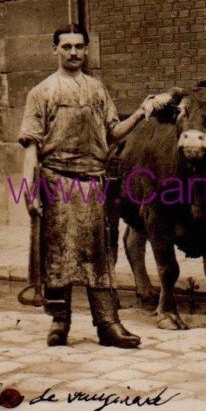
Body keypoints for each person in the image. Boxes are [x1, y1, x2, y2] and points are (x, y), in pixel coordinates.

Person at [18, 23, 169, 349]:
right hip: (55, 182)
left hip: (93, 183)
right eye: (66, 46)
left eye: (79, 46)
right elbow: (31, 147)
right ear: (54, 50)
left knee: (99, 256)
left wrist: (142, 113)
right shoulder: (41, 93)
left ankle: (107, 325)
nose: (73, 52)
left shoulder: (98, 90)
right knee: (57, 256)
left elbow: (113, 134)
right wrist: (30, 193)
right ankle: (60, 322)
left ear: (87, 50)